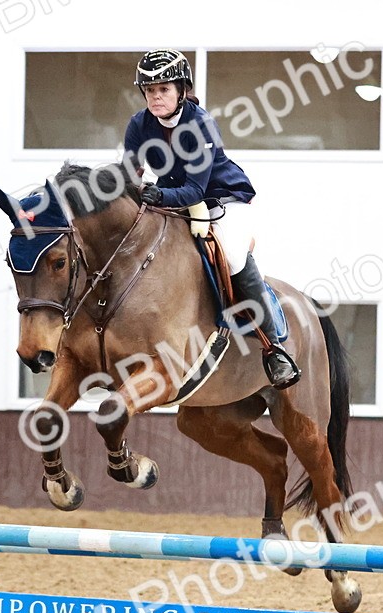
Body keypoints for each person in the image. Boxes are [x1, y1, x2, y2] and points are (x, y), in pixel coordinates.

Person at [123, 49, 300, 390]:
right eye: (149, 90)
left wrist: (156, 195)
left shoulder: (200, 123)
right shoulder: (138, 124)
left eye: (163, 89)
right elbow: (130, 173)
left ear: (181, 90)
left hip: (224, 200)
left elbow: (194, 189)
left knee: (232, 255)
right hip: (175, 198)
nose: (155, 97)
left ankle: (274, 347)